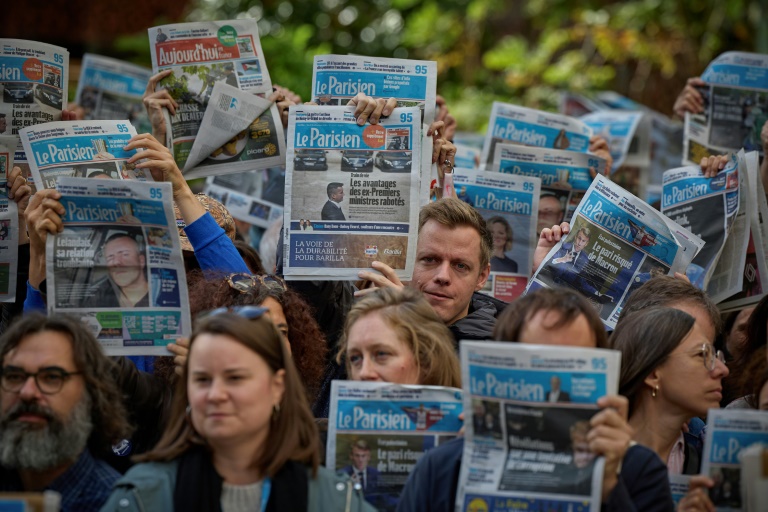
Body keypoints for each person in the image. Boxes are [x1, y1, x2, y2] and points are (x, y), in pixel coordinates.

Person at [398, 287, 673, 512]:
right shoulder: (441, 469)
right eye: (536, 363)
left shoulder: (640, 471)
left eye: (572, 364)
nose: (552, 378)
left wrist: (609, 488)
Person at [101, 311, 374, 511]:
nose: (216, 394)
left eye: (235, 378)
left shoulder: (337, 501)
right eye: (202, 379)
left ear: (277, 386)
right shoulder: (141, 497)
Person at [0, 314, 131, 511]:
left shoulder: (117, 505)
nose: (27, 392)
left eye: (52, 377)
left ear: (91, 393)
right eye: (14, 376)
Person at [613, 306, 729, 511]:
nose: (722, 370)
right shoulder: (597, 459)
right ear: (653, 374)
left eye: (716, 356)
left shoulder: (702, 463)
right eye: (702, 354)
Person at [357, 198, 503, 342]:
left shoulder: (497, 356)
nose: (443, 276)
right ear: (407, 262)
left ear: (482, 277)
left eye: (460, 266)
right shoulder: (364, 326)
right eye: (430, 259)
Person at [337, 287, 461, 387]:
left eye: (381, 354)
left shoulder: (468, 417)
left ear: (427, 361)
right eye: (355, 358)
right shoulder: (333, 418)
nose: (364, 372)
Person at [82, 232, 149, 308]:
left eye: (125, 254)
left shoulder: (159, 293)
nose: (116, 262)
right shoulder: (99, 296)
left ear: (141, 261)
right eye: (110, 257)